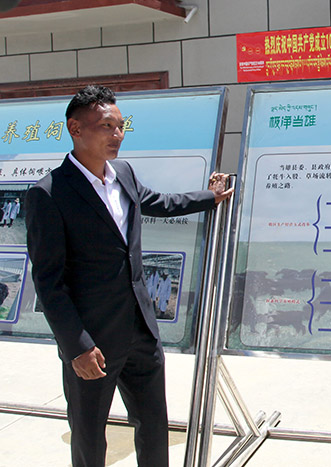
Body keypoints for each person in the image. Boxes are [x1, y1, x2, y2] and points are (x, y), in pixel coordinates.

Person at [25, 85, 234, 467]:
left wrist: (210, 197)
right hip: (93, 342)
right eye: (107, 126)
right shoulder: (49, 194)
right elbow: (49, 283)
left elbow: (158, 202)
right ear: (75, 128)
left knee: (154, 426)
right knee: (89, 436)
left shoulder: (123, 173)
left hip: (140, 331)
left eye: (121, 126)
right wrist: (77, 346)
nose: (117, 135)